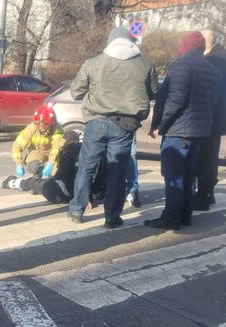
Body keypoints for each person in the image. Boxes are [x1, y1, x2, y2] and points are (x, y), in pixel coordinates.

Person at [67, 26, 158, 229]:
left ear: (110, 41)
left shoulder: (93, 63)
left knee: (87, 166)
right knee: (117, 170)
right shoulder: (145, 63)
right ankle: (112, 216)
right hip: (125, 124)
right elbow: (153, 92)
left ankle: (76, 210)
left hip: (96, 121)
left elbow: (75, 92)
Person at [144, 32, 221, 230]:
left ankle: (171, 217)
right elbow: (211, 102)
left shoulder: (183, 65)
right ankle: (185, 214)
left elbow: (176, 99)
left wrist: (161, 125)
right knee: (188, 174)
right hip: (199, 131)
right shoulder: (212, 70)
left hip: (179, 130)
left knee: (173, 175)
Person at [4, 131, 108, 205]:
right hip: (89, 193)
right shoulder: (96, 154)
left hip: (63, 193)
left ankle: (12, 182)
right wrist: (90, 195)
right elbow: (98, 177)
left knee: (36, 183)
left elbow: (61, 178)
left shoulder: (68, 153)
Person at [195, 30, 226, 210]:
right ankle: (209, 193)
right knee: (211, 156)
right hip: (217, 116)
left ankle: (203, 196)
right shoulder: (221, 57)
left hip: (208, 116)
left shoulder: (212, 61)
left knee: (204, 157)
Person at [10, 106, 65, 180]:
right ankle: (39, 177)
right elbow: (18, 145)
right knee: (34, 166)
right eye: (38, 123)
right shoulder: (32, 127)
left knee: (55, 173)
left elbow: (56, 148)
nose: (41, 126)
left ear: (51, 123)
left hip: (52, 152)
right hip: (37, 151)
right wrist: (18, 163)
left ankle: (51, 179)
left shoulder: (57, 128)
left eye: (45, 124)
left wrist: (50, 163)